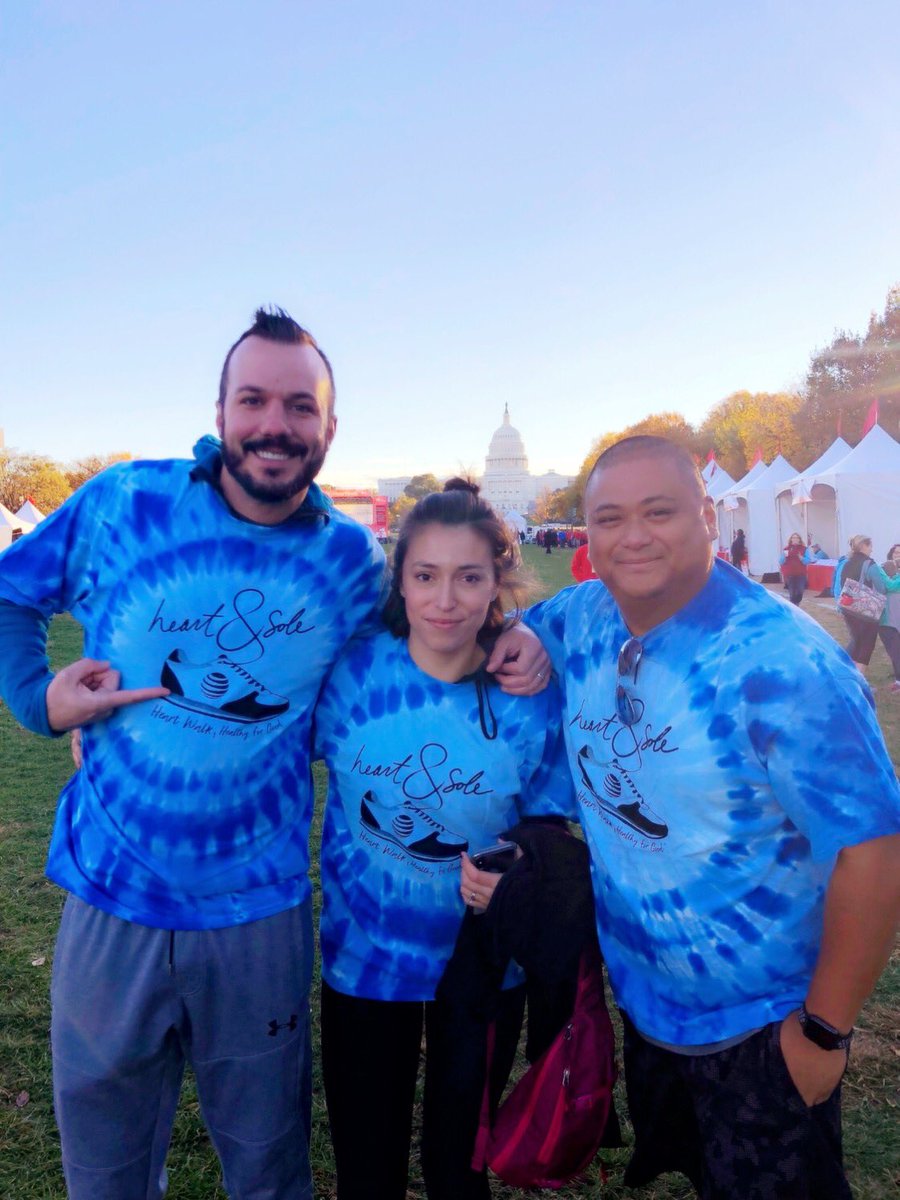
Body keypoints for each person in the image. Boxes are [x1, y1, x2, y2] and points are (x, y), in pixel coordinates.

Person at [0, 309, 548, 1200]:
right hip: (110, 897)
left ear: (329, 429)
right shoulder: (124, 500)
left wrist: (518, 633)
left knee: (267, 1167)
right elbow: (10, 593)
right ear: (219, 411)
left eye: (300, 407)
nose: (274, 425)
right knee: (103, 1170)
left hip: (258, 913)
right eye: (253, 399)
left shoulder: (348, 558)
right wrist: (37, 699)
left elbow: (439, 609)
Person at [525, 436, 900, 1200]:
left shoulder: (784, 663)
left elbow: (876, 850)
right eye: (609, 517)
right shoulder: (585, 615)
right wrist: (520, 643)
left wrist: (824, 1033)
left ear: (704, 516)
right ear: (586, 534)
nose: (633, 536)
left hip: (762, 1027)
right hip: (649, 1002)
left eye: (658, 512)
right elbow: (523, 626)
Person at [314, 479, 574, 1200]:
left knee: (461, 1169)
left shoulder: (529, 694)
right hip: (367, 957)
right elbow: (255, 734)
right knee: (369, 1167)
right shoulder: (351, 673)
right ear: (399, 579)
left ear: (499, 581)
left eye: (469, 577)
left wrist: (520, 867)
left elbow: (552, 826)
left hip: (485, 968)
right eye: (425, 575)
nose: (445, 600)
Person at [836, 534, 900, 679]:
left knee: (856, 641)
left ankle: (845, 674)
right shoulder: (870, 564)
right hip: (866, 611)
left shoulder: (847, 562)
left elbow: (842, 584)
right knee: (865, 646)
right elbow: (882, 588)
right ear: (864, 546)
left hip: (848, 607)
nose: (872, 549)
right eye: (870, 546)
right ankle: (858, 682)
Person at [779, 531, 807, 605]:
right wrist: (784, 557)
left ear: (799, 540)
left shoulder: (804, 549)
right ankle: (794, 607)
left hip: (801, 574)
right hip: (790, 574)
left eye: (796, 538)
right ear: (791, 539)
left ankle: (796, 603)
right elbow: (781, 562)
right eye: (793, 538)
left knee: (800, 591)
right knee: (792, 592)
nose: (795, 539)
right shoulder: (786, 549)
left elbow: (808, 560)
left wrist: (802, 558)